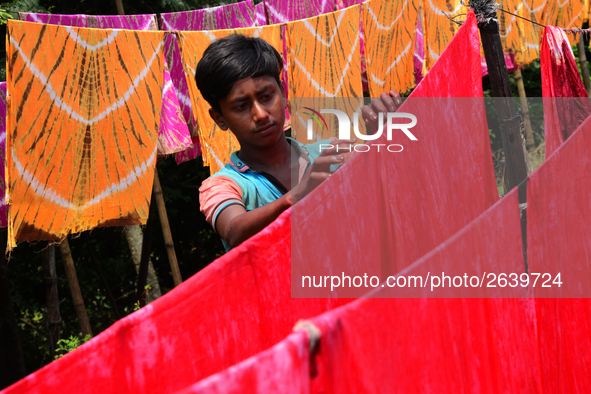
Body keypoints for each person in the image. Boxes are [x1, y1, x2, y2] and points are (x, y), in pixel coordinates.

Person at [197, 34, 400, 251]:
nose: (260, 114)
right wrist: (297, 195)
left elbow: (385, 189)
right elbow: (234, 230)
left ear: (283, 93)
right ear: (219, 118)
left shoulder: (332, 152)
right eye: (241, 107)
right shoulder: (222, 185)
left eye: (266, 96)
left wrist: (379, 139)